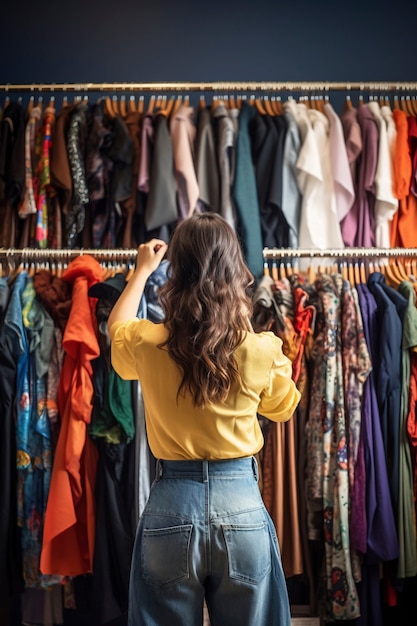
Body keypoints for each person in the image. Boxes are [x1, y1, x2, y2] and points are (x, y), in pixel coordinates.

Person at [107, 213, 301, 626]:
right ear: (235, 270)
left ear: (178, 270)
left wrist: (141, 272)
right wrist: (239, 323)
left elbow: (116, 330)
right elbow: (282, 408)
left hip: (171, 507)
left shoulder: (147, 342)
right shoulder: (260, 349)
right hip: (241, 507)